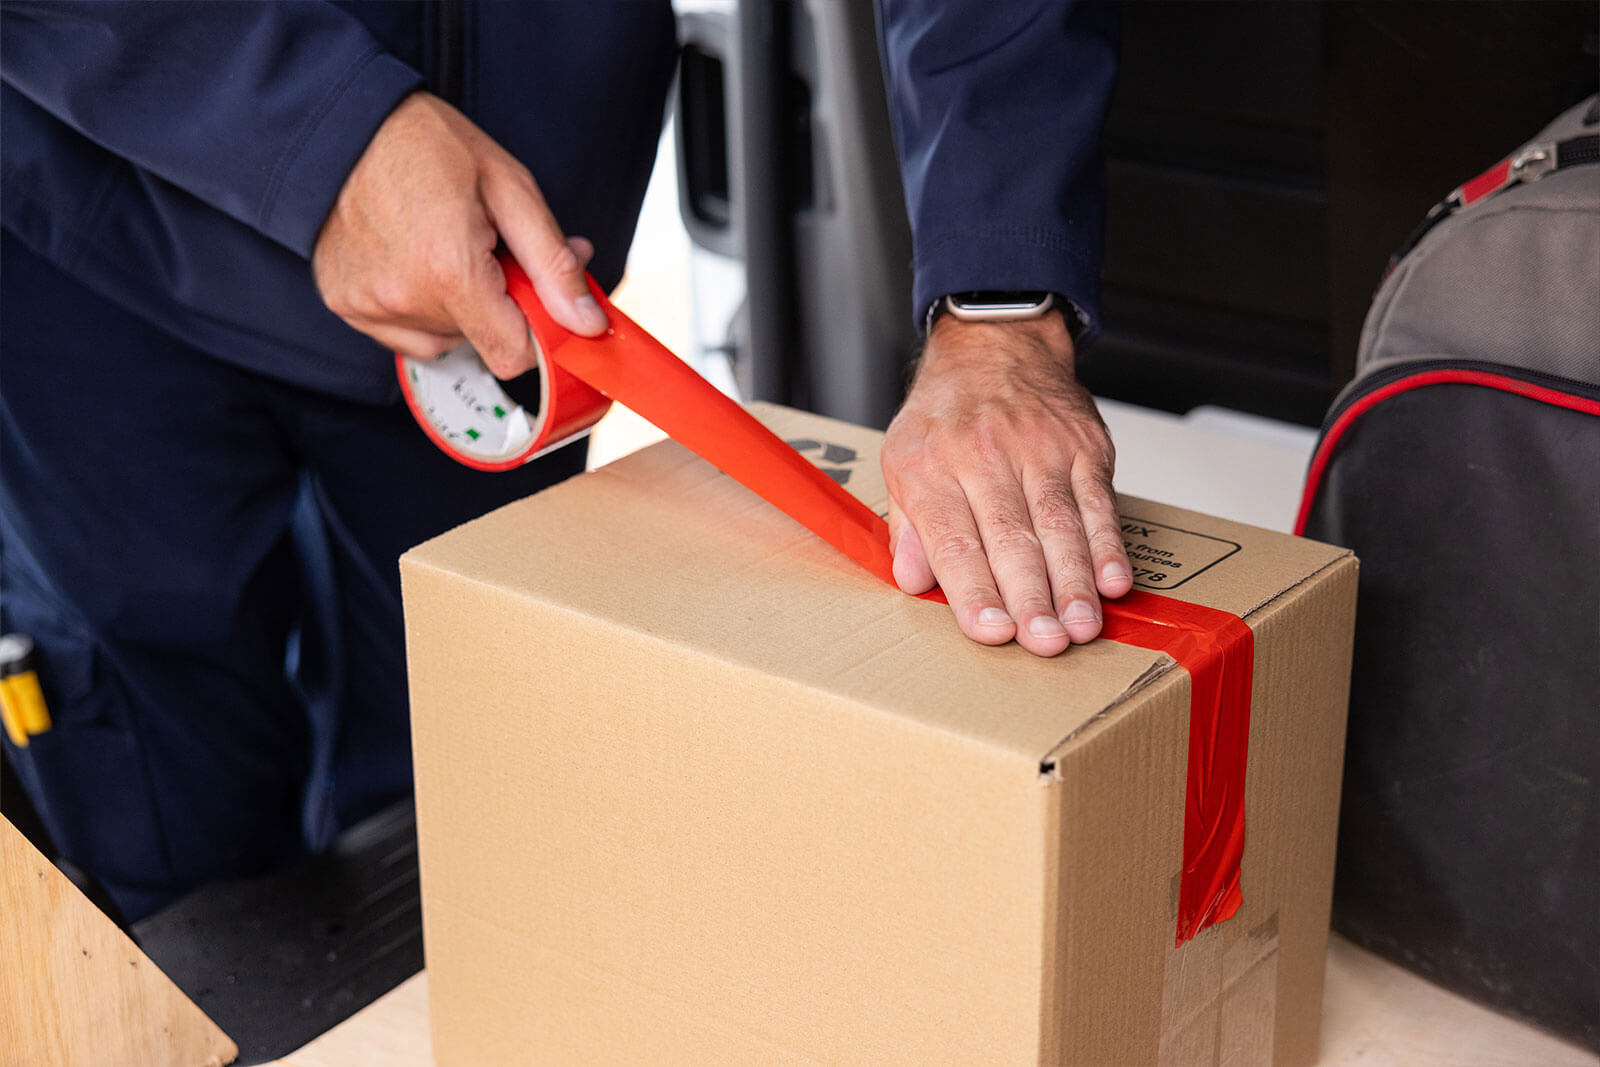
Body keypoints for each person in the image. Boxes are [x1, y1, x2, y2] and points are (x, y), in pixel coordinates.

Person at [0, 1, 1127, 920]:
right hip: (99, 216)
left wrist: (1000, 299)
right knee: (170, 804)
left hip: (500, 291)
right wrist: (315, 133)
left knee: (474, 804)